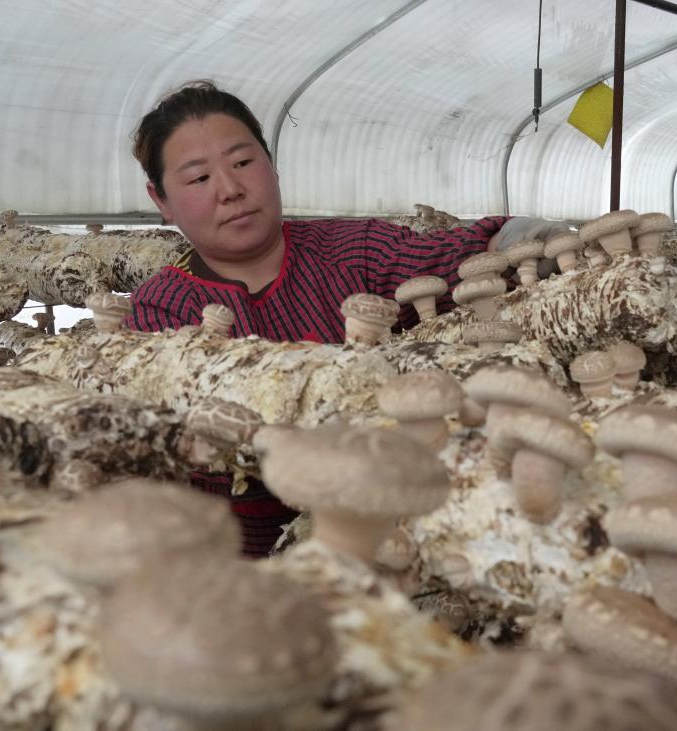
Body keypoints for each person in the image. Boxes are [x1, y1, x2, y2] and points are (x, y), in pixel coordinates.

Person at [127, 80, 564, 556]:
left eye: (243, 163)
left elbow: (456, 256)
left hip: (405, 532)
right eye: (198, 179)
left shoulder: (351, 250)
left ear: (272, 165)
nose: (230, 190)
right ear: (161, 201)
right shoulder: (162, 310)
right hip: (251, 563)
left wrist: (527, 241)